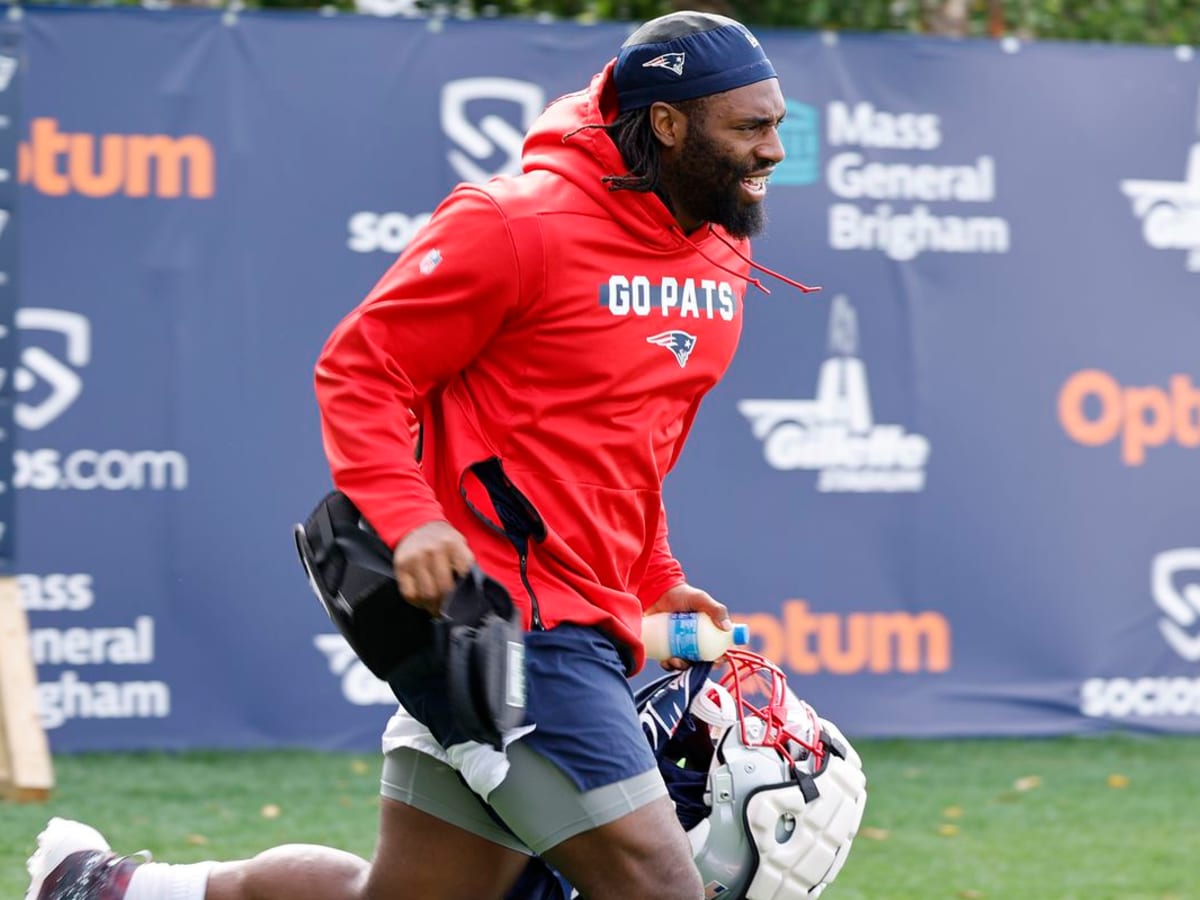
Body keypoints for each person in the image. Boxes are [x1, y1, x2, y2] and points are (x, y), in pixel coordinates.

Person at [27, 9, 813, 900]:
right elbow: (361, 371)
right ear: (668, 124)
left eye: (778, 123)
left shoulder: (718, 259)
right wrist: (410, 522)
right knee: (658, 887)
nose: (774, 149)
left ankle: (107, 887)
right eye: (750, 126)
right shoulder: (514, 224)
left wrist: (655, 577)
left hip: (589, 625)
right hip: (503, 623)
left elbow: (629, 441)